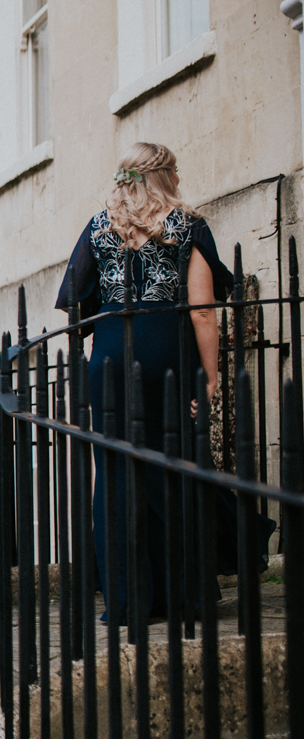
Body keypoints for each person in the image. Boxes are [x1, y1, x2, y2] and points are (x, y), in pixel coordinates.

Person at [53, 141, 265, 622]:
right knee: (176, 466)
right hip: (167, 354)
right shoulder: (188, 226)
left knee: (116, 473)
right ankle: (183, 593)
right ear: (165, 174)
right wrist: (210, 377)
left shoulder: (99, 226)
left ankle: (129, 599)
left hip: (109, 355)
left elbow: (77, 303)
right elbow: (204, 311)